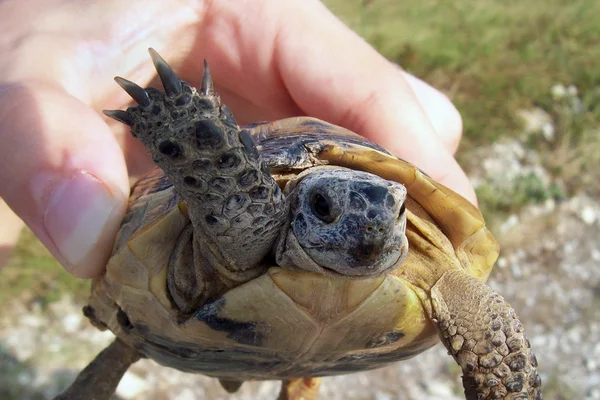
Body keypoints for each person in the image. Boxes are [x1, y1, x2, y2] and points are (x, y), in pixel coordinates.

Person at [0, 0, 474, 278]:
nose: (371, 233)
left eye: (394, 212)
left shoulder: (409, 249)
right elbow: (252, 215)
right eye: (325, 208)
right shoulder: (256, 220)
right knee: (245, 220)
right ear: (300, 206)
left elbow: (468, 296)